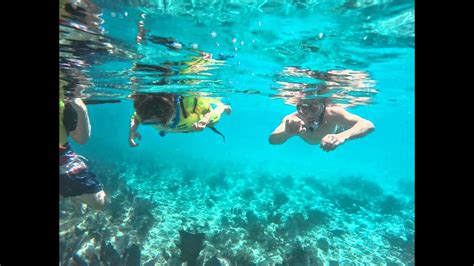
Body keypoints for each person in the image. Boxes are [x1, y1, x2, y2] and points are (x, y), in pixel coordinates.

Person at [60, 92, 108, 211]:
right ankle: (69, 194)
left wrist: (81, 110)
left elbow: (81, 139)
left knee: (101, 203)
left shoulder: (63, 97)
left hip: (62, 153)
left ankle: (72, 195)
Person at [128, 92, 232, 147]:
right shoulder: (145, 112)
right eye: (150, 122)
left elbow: (211, 113)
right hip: (180, 125)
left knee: (213, 122)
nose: (160, 125)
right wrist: (132, 130)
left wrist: (205, 120)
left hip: (198, 118)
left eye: (160, 122)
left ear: (171, 114)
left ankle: (224, 106)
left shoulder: (190, 111)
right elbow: (135, 117)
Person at [269, 98, 374, 151]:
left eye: (315, 108)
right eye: (304, 108)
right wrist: (287, 133)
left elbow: (368, 125)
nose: (309, 114)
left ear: (323, 107)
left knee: (345, 126)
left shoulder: (333, 113)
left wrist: (342, 136)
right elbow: (273, 140)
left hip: (337, 131)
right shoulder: (293, 119)